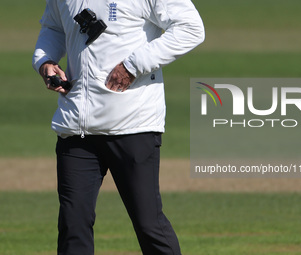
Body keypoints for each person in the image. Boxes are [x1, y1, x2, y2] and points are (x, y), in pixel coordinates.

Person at [32, 0, 204, 254]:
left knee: (149, 225)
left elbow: (191, 28)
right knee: (73, 226)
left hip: (133, 123)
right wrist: (45, 61)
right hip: (76, 126)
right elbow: (54, 27)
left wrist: (133, 65)